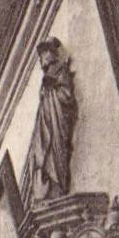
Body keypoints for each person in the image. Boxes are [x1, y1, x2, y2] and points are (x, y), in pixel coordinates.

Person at [29, 38, 77, 203]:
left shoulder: (61, 73)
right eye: (43, 64)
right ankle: (49, 188)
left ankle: (58, 186)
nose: (45, 67)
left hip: (57, 124)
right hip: (46, 125)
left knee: (56, 155)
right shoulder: (47, 81)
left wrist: (55, 85)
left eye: (48, 63)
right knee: (41, 154)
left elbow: (67, 96)